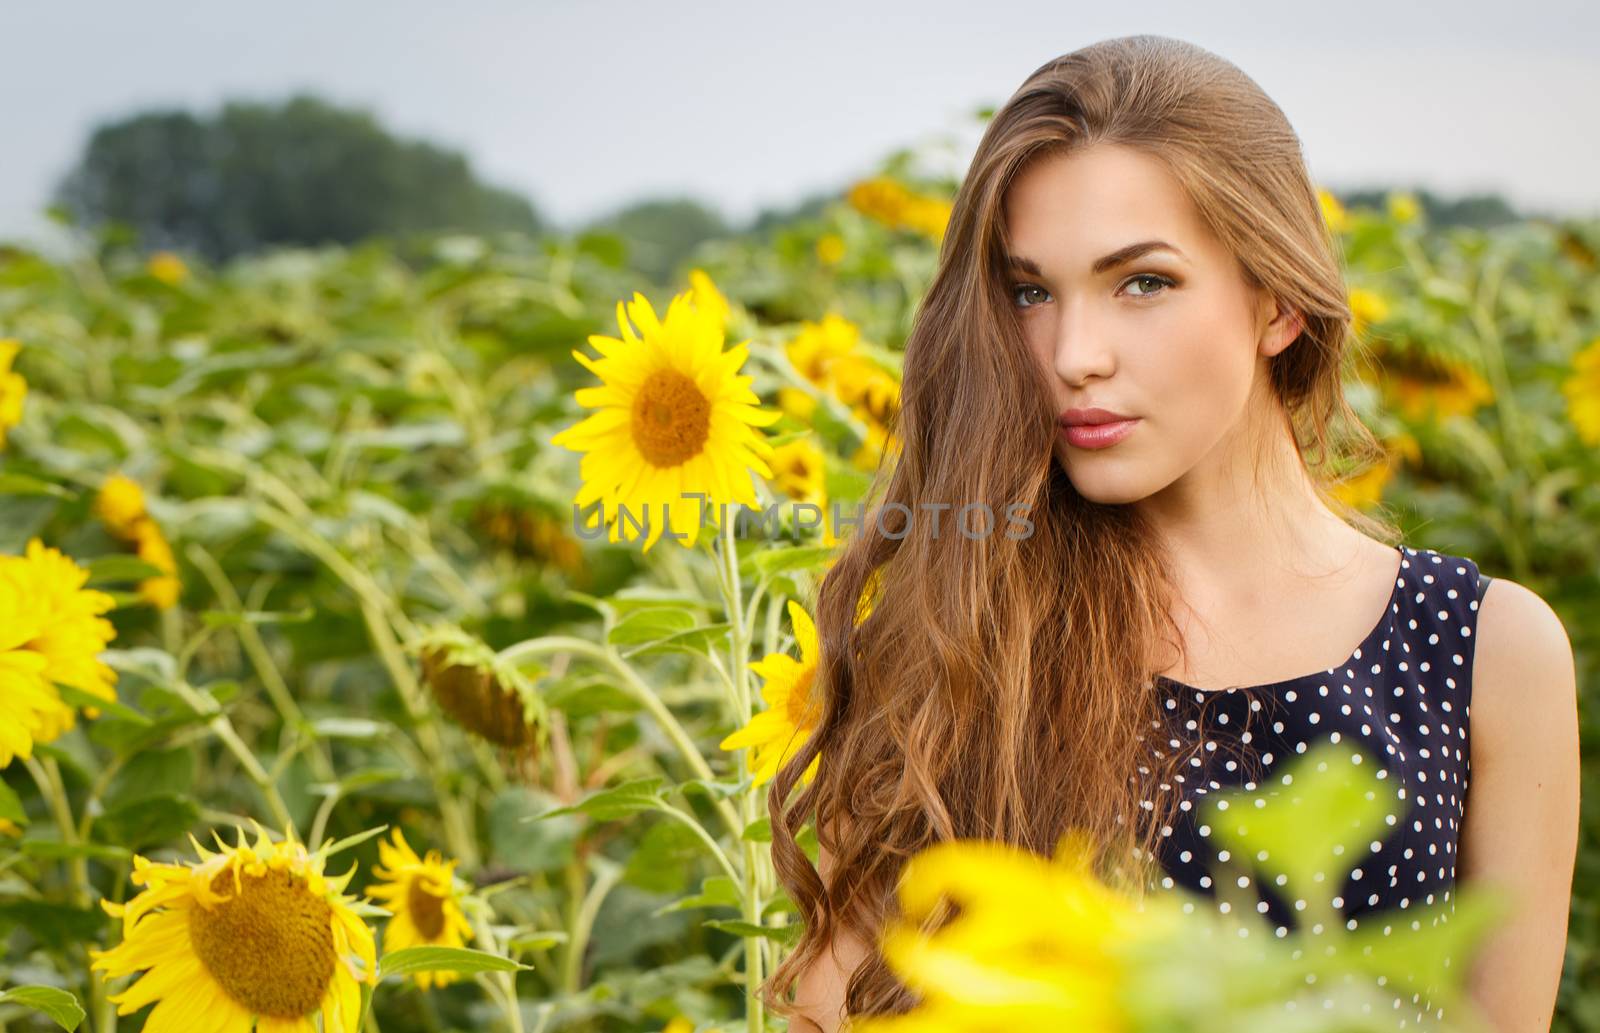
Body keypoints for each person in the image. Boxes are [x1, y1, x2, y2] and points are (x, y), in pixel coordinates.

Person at [761, 34, 1580, 1033]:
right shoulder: (965, 630)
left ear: (1275, 296)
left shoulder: (1489, 650)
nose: (1072, 355)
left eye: (1141, 281)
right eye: (1030, 291)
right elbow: (837, 1010)